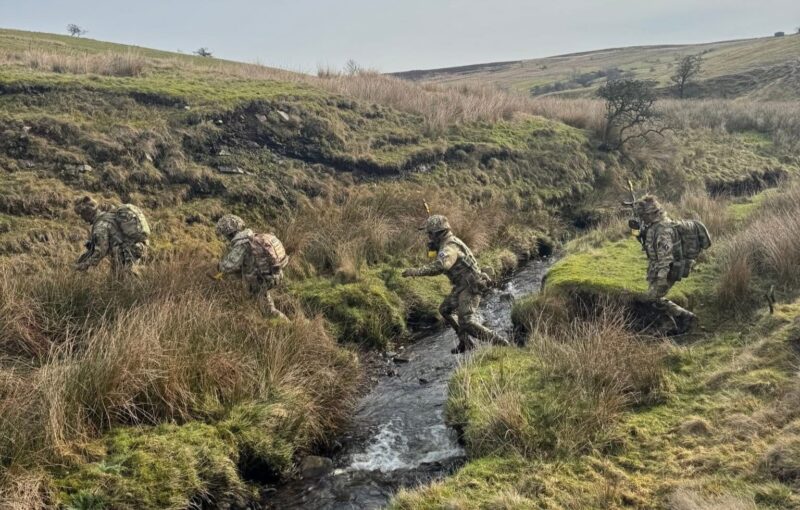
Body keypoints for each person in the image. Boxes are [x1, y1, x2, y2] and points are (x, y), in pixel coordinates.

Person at [402, 215, 509, 354]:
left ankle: (502, 344)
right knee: (445, 310)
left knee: (467, 321)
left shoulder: (450, 246)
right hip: (462, 286)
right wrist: (433, 248)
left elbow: (441, 266)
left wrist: (415, 272)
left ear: (438, 233)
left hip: (471, 286)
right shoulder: (446, 243)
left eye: (430, 233)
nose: (428, 237)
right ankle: (466, 342)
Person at [634, 195, 697, 334]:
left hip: (667, 270)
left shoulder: (663, 230)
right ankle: (672, 323)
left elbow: (665, 258)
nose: (642, 218)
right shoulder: (654, 226)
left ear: (651, 214)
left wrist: (662, 279)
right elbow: (649, 245)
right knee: (654, 298)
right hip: (658, 269)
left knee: (652, 299)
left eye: (643, 215)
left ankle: (682, 318)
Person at [215, 214, 289, 321]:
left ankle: (285, 326)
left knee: (268, 310)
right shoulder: (253, 236)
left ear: (228, 233)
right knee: (263, 302)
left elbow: (227, 267)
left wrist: (219, 266)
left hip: (260, 280)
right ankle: (272, 322)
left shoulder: (242, 243)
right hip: (274, 275)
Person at [74, 196, 149, 279]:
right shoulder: (108, 215)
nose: (82, 218)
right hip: (136, 247)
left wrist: (85, 265)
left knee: (127, 280)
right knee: (119, 278)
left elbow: (101, 251)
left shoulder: (100, 225)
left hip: (127, 252)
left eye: (81, 214)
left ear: (87, 213)